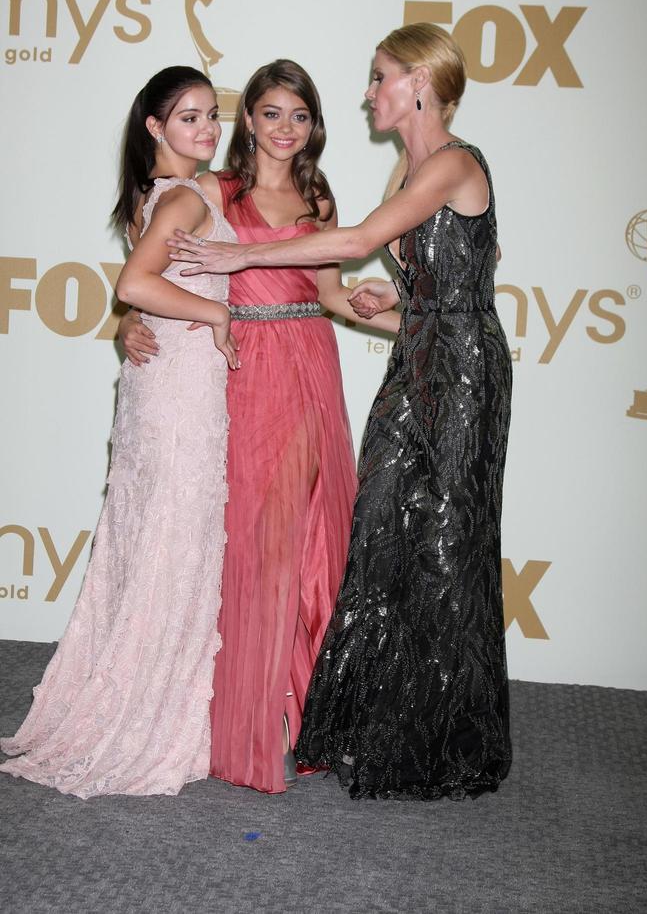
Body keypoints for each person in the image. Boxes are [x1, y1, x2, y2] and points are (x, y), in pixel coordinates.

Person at [167, 24, 513, 800]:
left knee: (447, 550)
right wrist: (402, 300)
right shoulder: (409, 164)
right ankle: (375, 724)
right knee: (383, 535)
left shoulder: (453, 159)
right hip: (419, 356)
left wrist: (245, 255)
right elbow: (450, 268)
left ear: (418, 81)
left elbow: (357, 240)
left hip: (457, 376)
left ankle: (447, 743)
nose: (368, 92)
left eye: (380, 77)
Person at [119, 58, 401, 794]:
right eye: (270, 113)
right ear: (247, 120)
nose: (284, 128)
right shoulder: (215, 190)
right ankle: (241, 720)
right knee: (253, 543)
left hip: (312, 363)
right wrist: (128, 323)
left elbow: (333, 296)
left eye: (299, 116)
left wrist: (394, 315)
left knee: (317, 539)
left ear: (314, 127)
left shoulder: (318, 194)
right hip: (246, 371)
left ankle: (309, 711)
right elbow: (159, 271)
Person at [0, 66, 238, 798]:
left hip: (158, 386)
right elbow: (134, 286)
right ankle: (143, 720)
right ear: (155, 128)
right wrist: (217, 316)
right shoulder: (181, 197)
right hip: (179, 395)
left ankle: (133, 701)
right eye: (188, 118)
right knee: (170, 539)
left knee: (151, 540)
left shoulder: (158, 194)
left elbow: (147, 295)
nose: (206, 129)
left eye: (210, 115)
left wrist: (144, 323)